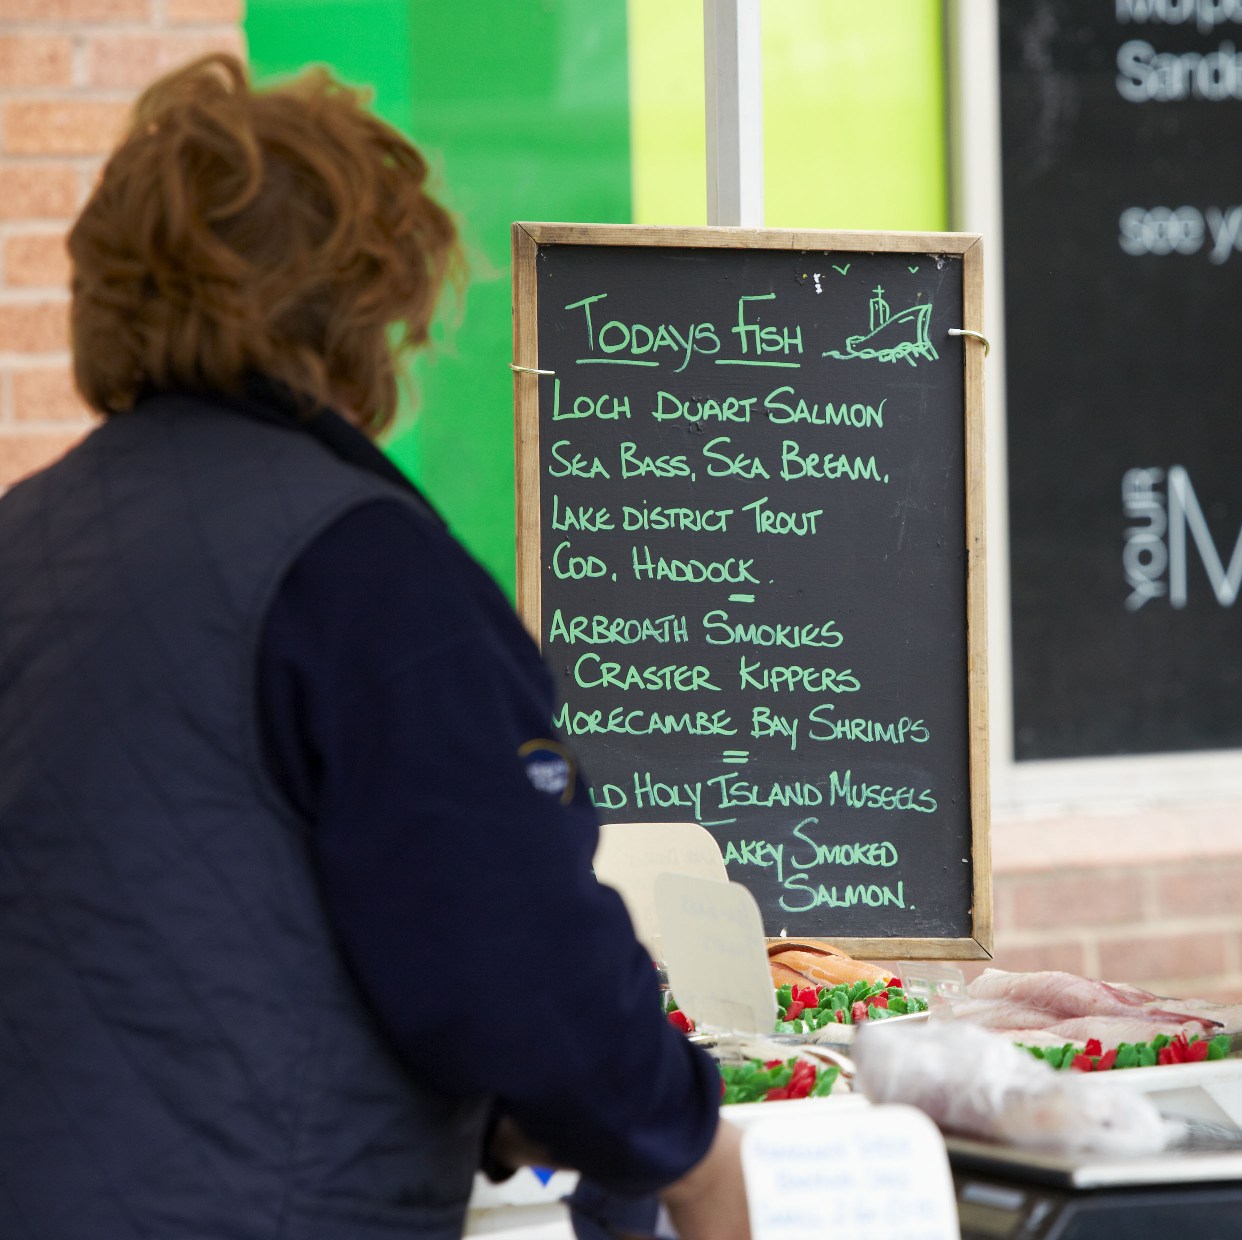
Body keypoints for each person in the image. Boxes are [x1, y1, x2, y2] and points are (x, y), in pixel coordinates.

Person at [0, 54, 747, 1239]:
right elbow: (520, 965)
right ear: (370, 299)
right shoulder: (354, 566)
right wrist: (695, 1152)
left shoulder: (30, 539)